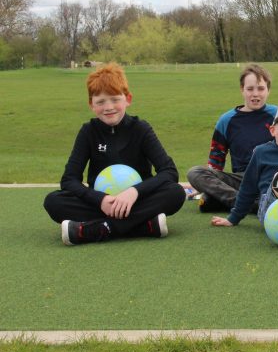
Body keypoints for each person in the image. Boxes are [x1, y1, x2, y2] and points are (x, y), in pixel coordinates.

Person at [43, 63, 186, 245]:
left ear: (128, 99)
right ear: (91, 105)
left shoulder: (141, 129)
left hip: (137, 201)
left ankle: (97, 229)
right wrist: (100, 199)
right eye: (100, 102)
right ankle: (143, 226)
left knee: (175, 193)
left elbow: (169, 172)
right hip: (102, 205)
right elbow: (69, 180)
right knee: (54, 201)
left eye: (115, 99)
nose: (108, 107)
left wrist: (134, 192)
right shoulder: (88, 132)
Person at [187, 63, 277, 212]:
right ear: (242, 89)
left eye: (261, 88)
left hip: (272, 177)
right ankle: (251, 204)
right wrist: (209, 185)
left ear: (268, 90)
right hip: (241, 180)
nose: (255, 94)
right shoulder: (227, 120)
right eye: (250, 89)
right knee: (195, 173)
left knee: (208, 202)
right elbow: (216, 160)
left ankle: (233, 203)